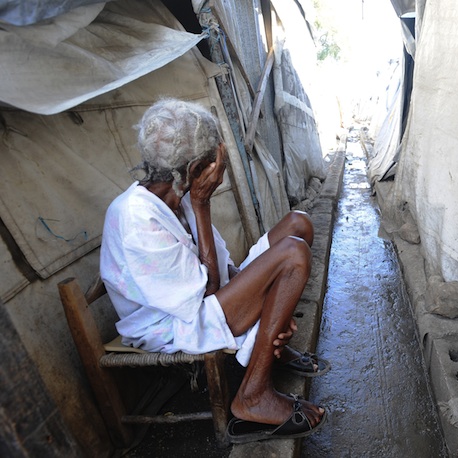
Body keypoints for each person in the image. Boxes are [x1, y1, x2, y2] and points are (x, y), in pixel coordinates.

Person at [100, 98, 327, 443]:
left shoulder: (178, 197)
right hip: (174, 323)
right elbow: (204, 293)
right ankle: (252, 394)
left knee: (300, 224)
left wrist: (268, 303)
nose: (218, 170)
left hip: (206, 297)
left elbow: (225, 269)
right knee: (294, 254)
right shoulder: (136, 217)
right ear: (193, 171)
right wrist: (203, 204)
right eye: (213, 161)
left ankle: (269, 343)